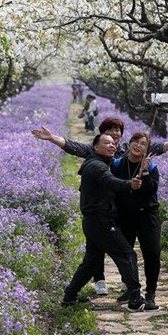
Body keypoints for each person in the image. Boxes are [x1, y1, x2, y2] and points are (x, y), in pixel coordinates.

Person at [31, 116, 168, 295]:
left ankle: (123, 286)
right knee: (102, 248)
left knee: (110, 250)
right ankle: (102, 281)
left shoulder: (124, 150)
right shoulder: (97, 152)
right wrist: (52, 138)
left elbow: (148, 148)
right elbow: (74, 147)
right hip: (102, 208)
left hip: (123, 209)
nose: (114, 134)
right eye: (109, 131)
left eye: (117, 130)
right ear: (100, 138)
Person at [61, 134, 147, 312]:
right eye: (106, 143)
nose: (112, 146)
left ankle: (69, 297)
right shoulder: (97, 166)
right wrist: (129, 185)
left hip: (94, 222)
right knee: (127, 255)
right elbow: (110, 181)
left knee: (92, 263)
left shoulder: (99, 163)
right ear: (95, 147)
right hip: (100, 221)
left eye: (113, 143)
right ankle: (135, 299)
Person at [111, 131, 161, 311]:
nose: (138, 145)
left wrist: (145, 171)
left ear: (146, 149)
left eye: (143, 144)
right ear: (130, 143)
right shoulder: (117, 164)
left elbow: (151, 190)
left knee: (152, 253)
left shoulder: (151, 167)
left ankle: (150, 293)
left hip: (148, 215)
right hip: (125, 216)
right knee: (126, 254)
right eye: (135, 141)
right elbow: (112, 186)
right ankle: (132, 290)